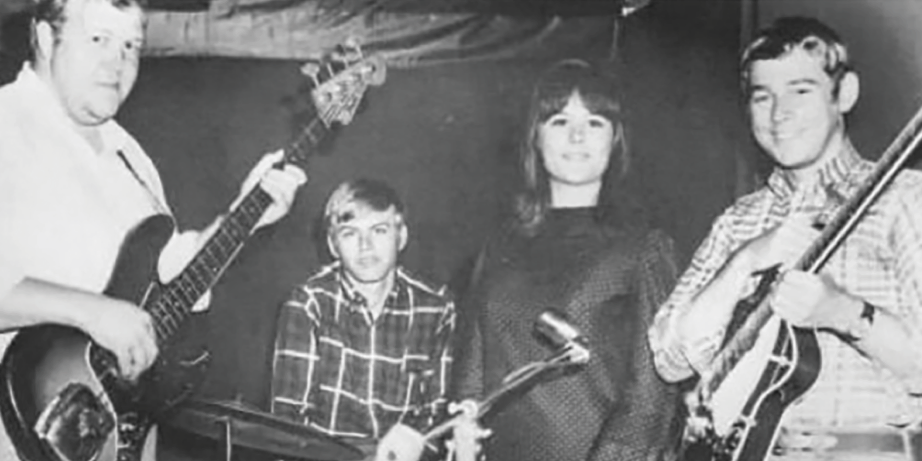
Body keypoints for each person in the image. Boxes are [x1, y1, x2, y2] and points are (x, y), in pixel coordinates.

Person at [0, 0, 307, 460]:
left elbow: (166, 279)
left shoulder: (132, 159)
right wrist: (92, 313)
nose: (117, 62)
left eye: (131, 46)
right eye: (99, 39)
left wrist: (243, 218)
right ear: (46, 38)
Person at [648, 16, 922, 461]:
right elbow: (670, 358)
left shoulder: (904, 198)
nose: (780, 113)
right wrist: (745, 260)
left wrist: (844, 313)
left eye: (801, 90)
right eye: (763, 96)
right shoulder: (738, 221)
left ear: (844, 94)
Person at [451, 59, 684, 461]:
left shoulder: (643, 247)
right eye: (559, 121)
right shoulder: (500, 244)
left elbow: (651, 398)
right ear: (536, 138)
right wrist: (463, 426)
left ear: (615, 139)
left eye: (594, 122)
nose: (577, 136)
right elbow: (473, 364)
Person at [270, 178, 460, 461]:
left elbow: (438, 418)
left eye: (379, 230)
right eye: (349, 233)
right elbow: (289, 426)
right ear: (333, 245)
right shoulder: (308, 303)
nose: (365, 246)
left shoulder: (437, 307)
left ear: (401, 237)